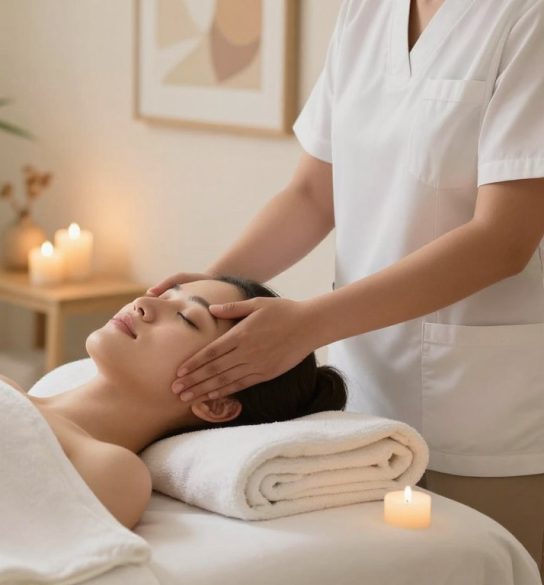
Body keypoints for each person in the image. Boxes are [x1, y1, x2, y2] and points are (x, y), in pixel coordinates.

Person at [147, 0, 544, 570]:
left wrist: (308, 322)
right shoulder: (366, 11)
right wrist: (210, 288)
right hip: (360, 408)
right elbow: (312, 195)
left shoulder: (525, 16)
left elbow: (504, 239)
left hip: (482, 408)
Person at [0, 276, 347, 529]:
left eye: (185, 317)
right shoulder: (0, 385)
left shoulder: (112, 471)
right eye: (165, 295)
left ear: (216, 403)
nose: (144, 304)